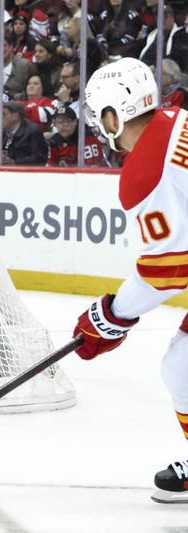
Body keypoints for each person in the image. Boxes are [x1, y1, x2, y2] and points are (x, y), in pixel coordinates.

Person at [71, 57, 188, 504]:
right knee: (183, 363)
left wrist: (110, 316)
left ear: (113, 115)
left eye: (99, 118)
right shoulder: (174, 119)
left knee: (183, 365)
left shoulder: (144, 170)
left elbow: (169, 271)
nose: (100, 130)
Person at [0, 100, 47, 165]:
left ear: (15, 116)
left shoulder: (33, 131)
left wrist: (14, 162)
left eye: (3, 114)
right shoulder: (1, 132)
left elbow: (40, 158)